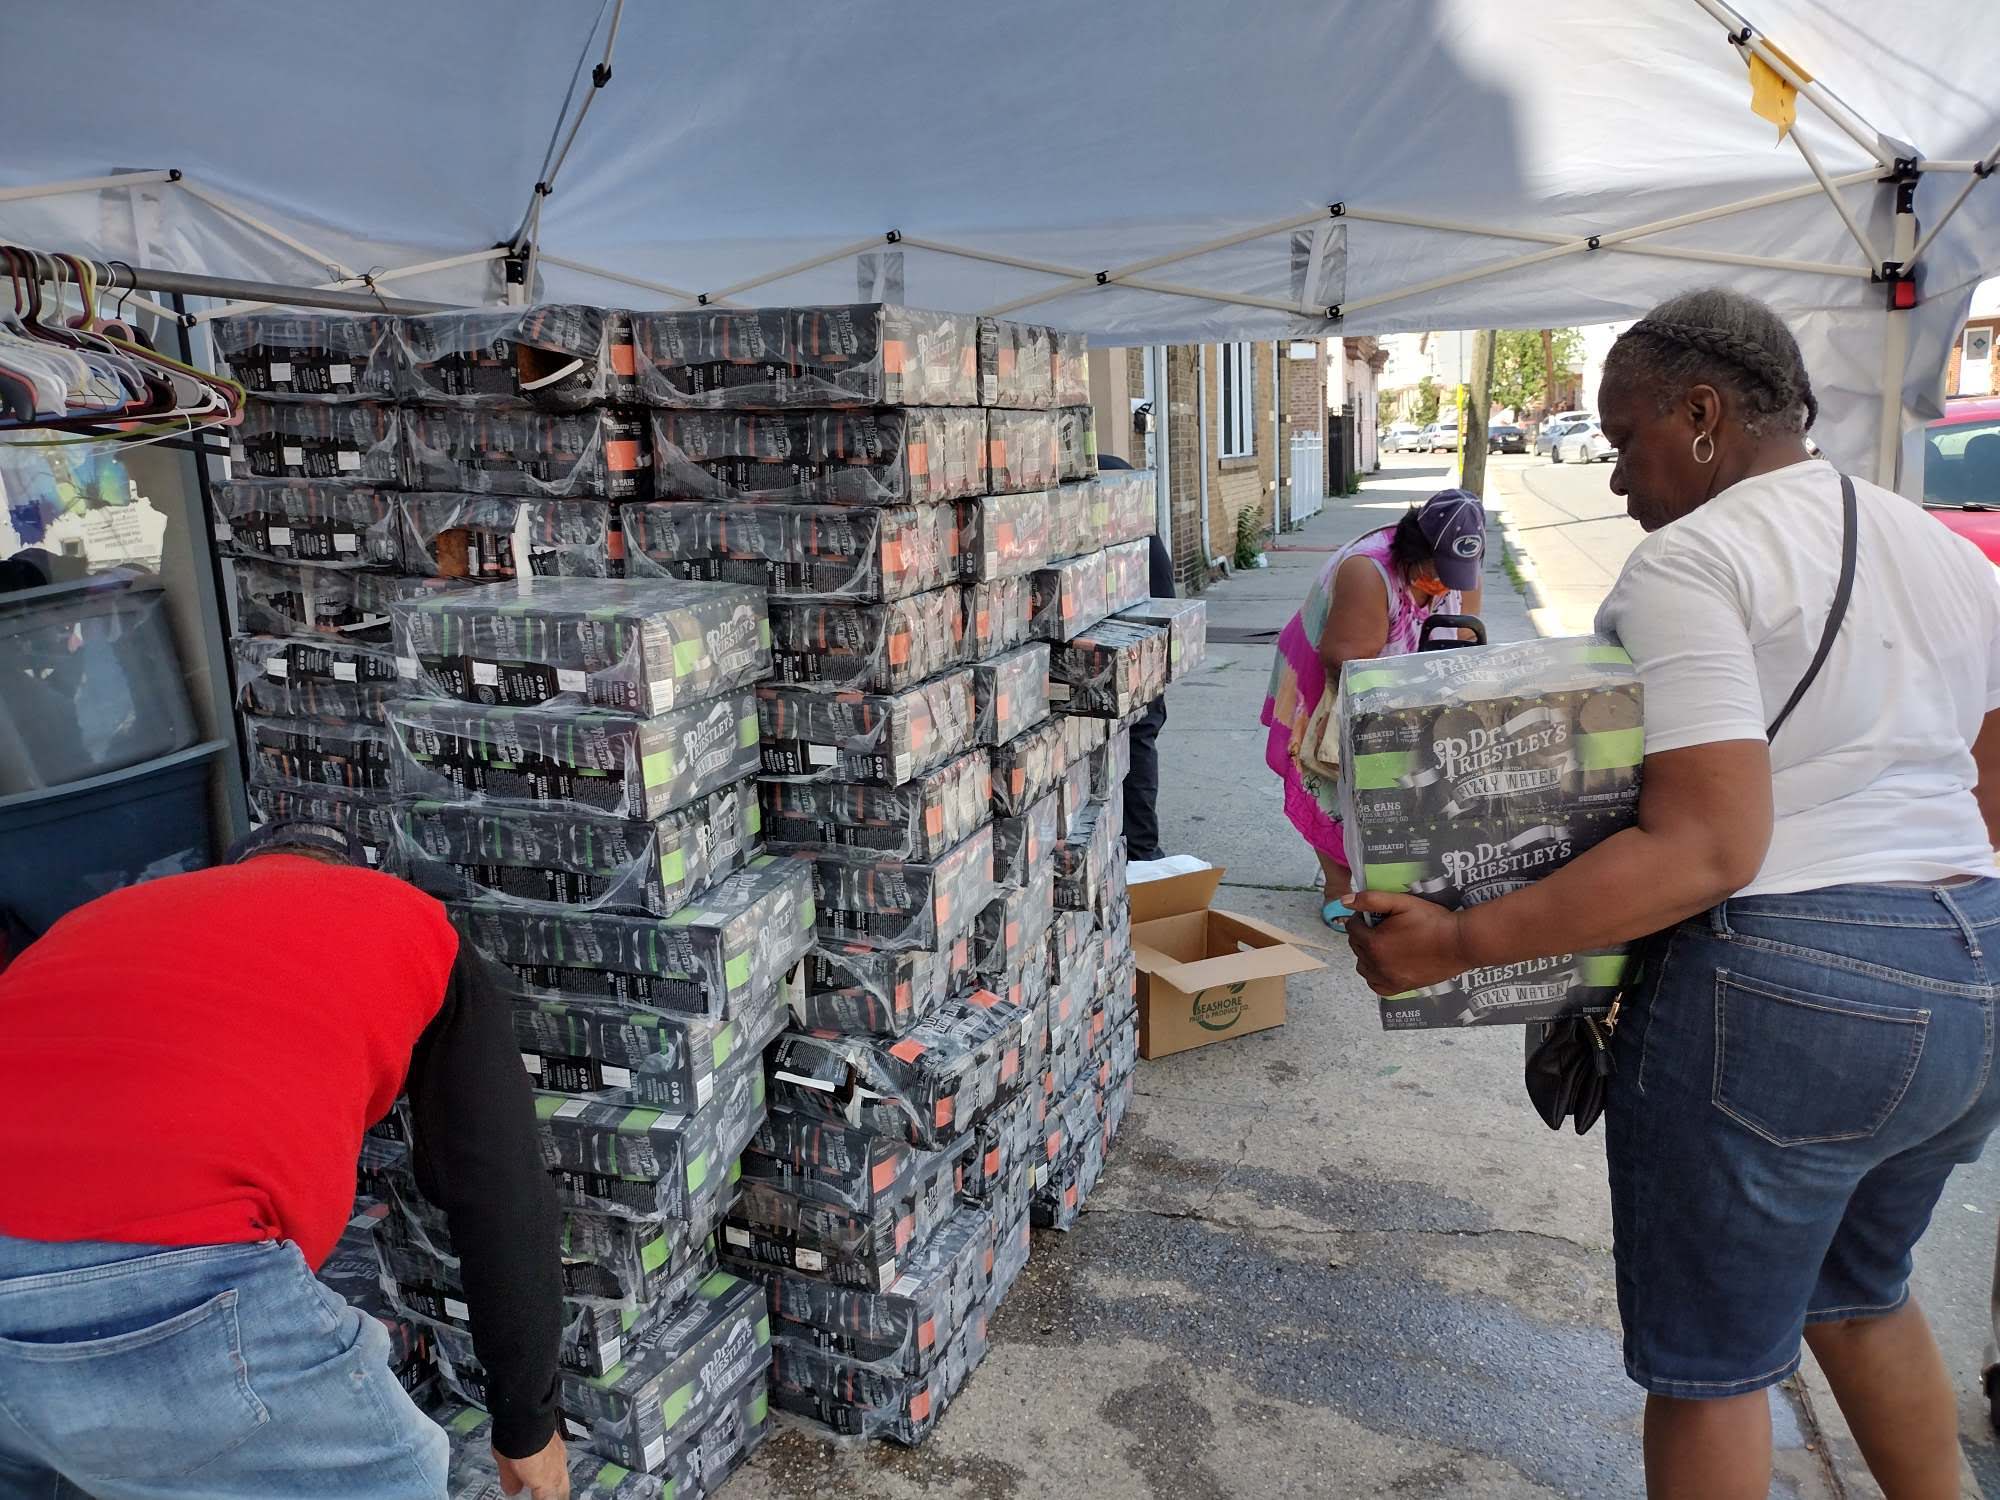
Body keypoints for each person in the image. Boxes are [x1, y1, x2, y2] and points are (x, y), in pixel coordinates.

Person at [1349, 287, 2000, 1500]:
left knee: (1711, 1371)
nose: (1613, 482)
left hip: (1790, 990)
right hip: (1969, 967)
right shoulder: (1935, 546)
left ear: (1700, 415)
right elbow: (1988, 779)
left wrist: (1459, 941)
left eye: (1620, 437)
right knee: (1859, 1296)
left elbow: (1706, 848)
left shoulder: (1691, 561)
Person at [0, 821, 570, 1500]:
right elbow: (496, 1188)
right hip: (175, 1284)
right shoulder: (407, 920)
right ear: (357, 873)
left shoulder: (96, 919)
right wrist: (528, 1422)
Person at [1260, 488, 1485, 928]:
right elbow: (1345, 661)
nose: (1445, 585)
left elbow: (1465, 639)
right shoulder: (1368, 571)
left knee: (1405, 789)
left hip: (1402, 687)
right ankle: (1339, 886)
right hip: (1331, 681)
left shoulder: (1459, 574)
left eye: (1455, 575)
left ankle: (1389, 882)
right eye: (1435, 573)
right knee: (1334, 782)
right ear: (1413, 550)